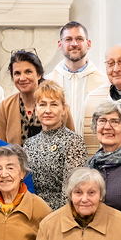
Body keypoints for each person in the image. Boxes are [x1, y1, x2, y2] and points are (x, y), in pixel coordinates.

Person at [23, 81, 87, 210]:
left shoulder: (74, 141)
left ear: (63, 109)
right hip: (31, 211)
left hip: (61, 214)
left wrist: (54, 218)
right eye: (42, 104)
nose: (48, 110)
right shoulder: (29, 144)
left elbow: (72, 190)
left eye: (54, 104)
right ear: (36, 110)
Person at [0, 50, 75, 146]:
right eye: (17, 73)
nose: (22, 78)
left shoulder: (57, 102)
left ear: (39, 74)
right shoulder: (6, 106)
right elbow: (0, 147)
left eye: (28, 72)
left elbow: (71, 140)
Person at [49, 21, 107, 122]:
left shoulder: (104, 83)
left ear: (88, 44)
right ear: (60, 45)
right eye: (68, 39)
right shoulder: (48, 81)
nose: (74, 44)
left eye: (79, 39)